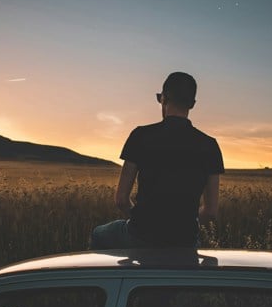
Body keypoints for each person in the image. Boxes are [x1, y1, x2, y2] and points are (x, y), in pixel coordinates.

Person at [90, 71, 224, 249]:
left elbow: (121, 199)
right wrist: (179, 228)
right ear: (192, 104)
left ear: (164, 98)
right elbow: (211, 211)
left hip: (140, 234)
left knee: (99, 234)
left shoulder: (140, 135)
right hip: (185, 240)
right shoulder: (210, 145)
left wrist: (145, 223)